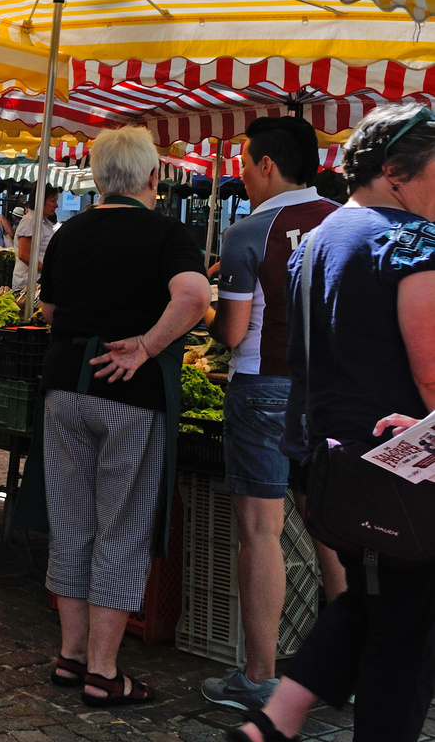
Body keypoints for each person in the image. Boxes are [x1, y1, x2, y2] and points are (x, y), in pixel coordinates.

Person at [224, 103, 435, 742]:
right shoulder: (412, 244)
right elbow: (430, 375)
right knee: (407, 631)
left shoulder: (318, 241)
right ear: (396, 171)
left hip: (329, 464)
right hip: (403, 468)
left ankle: (272, 723)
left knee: (368, 604)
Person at [21, 126, 210, 708]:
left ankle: (71, 658)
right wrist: (148, 345)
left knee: (73, 523)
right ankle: (105, 673)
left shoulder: (69, 231)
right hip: (132, 393)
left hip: (64, 388)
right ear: (154, 177)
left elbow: (49, 306)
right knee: (121, 528)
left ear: (99, 179)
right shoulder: (166, 233)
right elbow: (196, 298)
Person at [200, 117, 340, 713]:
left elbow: (232, 334)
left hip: (264, 388)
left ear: (266, 165)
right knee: (333, 529)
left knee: (262, 531)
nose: (241, 173)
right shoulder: (349, 221)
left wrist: (209, 303)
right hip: (334, 394)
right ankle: (346, 662)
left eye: (245, 161)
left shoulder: (249, 231)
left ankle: (259, 676)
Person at [14, 191, 61, 290]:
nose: (56, 205)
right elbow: (24, 254)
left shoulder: (44, 222)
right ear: (40, 200)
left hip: (39, 280)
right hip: (30, 283)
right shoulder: (30, 221)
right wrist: (47, 271)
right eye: (53, 201)